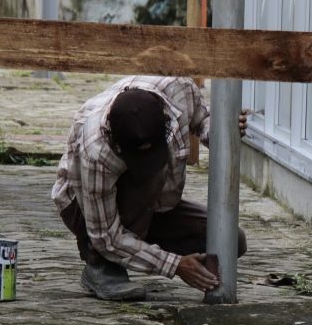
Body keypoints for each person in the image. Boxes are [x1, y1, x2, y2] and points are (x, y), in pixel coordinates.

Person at [51, 75, 248, 300]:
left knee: (232, 242)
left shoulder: (179, 90)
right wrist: (175, 265)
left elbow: (203, 120)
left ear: (165, 121)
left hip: (155, 204)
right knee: (149, 179)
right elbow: (106, 237)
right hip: (86, 210)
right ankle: (101, 266)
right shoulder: (95, 149)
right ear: (115, 141)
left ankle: (137, 243)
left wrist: (225, 129)